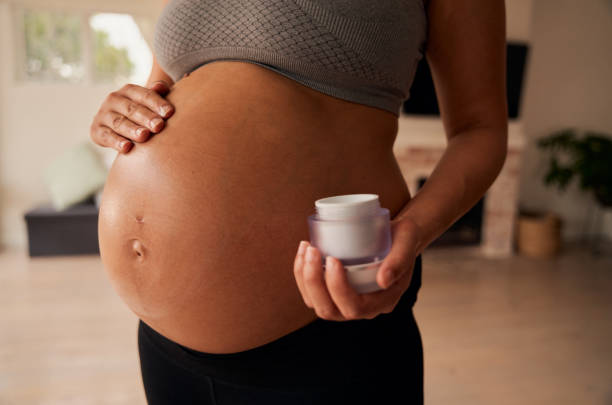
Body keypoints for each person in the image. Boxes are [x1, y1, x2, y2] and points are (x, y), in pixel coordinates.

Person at [89, 0, 508, 403]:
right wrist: (121, 112)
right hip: (164, 345)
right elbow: (161, 90)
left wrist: (412, 234)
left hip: (329, 326)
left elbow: (480, 131)